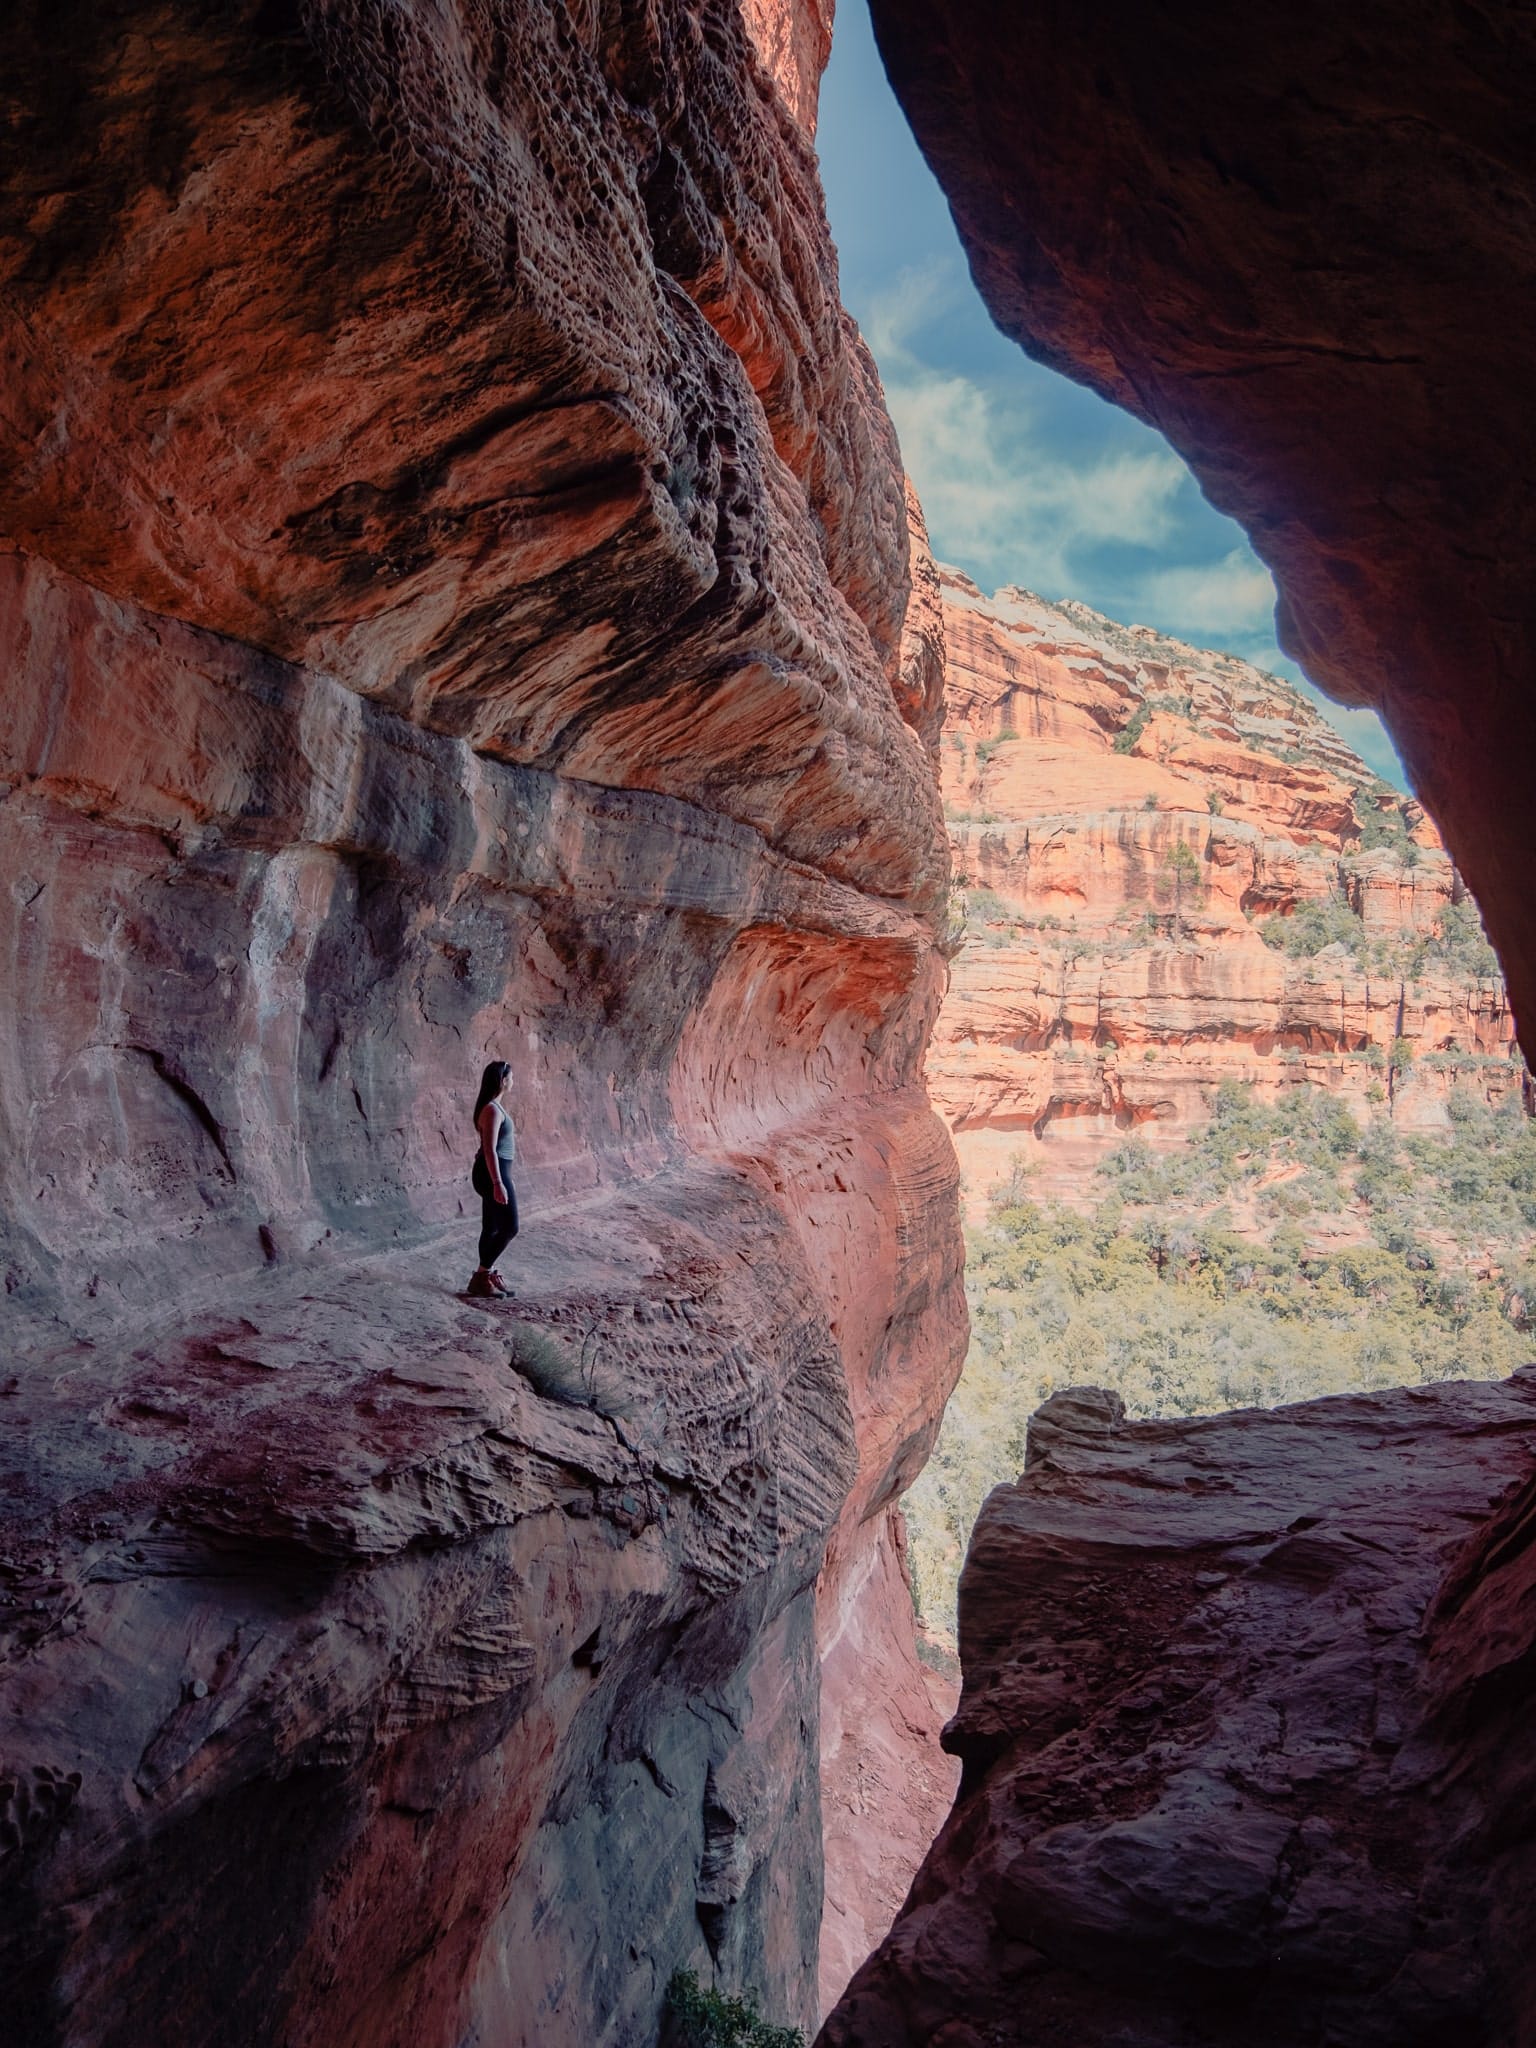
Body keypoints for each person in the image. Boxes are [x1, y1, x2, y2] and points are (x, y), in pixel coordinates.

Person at [467, 1059, 518, 1298]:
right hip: (491, 1173)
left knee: (492, 1227)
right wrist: (498, 1183)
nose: (513, 1081)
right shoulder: (491, 1110)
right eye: (511, 1077)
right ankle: (481, 1276)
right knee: (510, 1227)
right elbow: (489, 1149)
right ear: (502, 1080)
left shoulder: (495, 1107)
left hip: (493, 1171)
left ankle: (485, 1275)